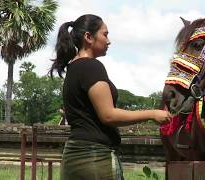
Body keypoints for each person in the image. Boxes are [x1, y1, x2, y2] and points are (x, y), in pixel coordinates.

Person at [49, 14, 172, 180]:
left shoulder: (74, 68)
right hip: (95, 158)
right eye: (105, 34)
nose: (109, 41)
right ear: (88, 37)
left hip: (73, 156)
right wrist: (151, 114)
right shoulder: (92, 67)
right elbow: (108, 115)